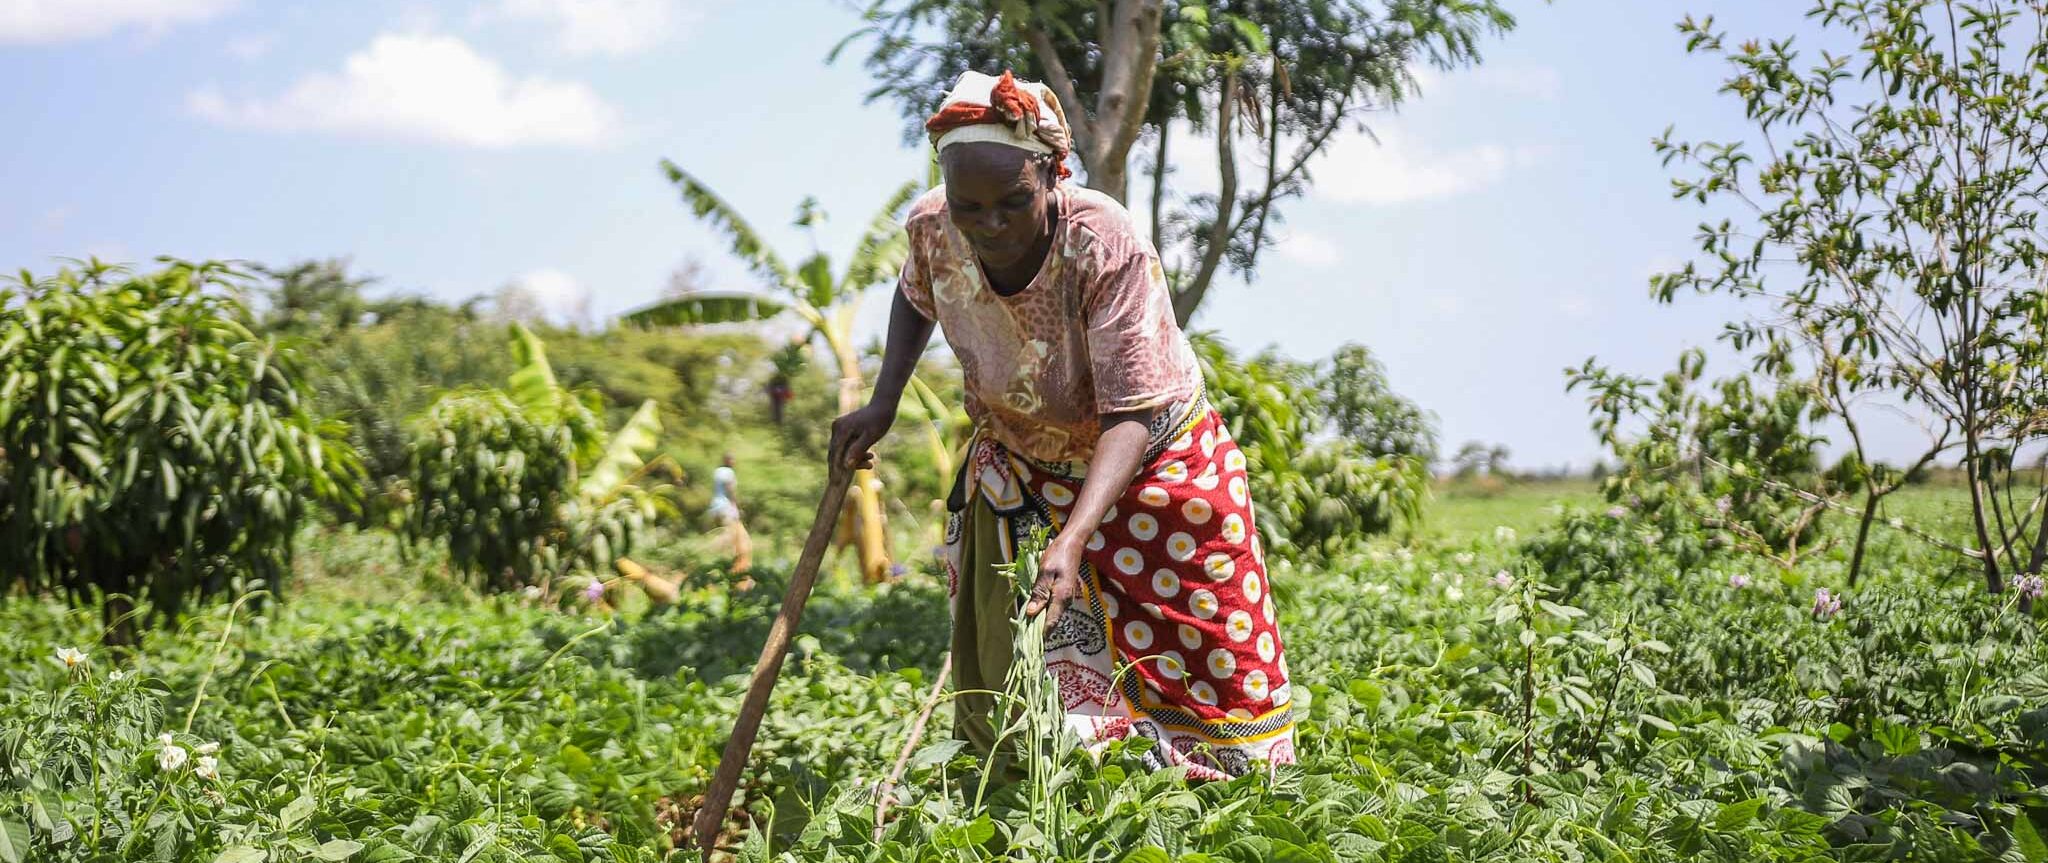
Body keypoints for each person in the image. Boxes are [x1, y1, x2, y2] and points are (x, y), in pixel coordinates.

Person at [829, 70, 1293, 779]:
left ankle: (1234, 806)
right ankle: (1024, 803)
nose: (989, 225)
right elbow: (916, 293)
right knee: (1012, 677)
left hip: (1157, 466)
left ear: (1051, 175)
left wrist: (1074, 536)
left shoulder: (1103, 241)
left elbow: (1132, 411)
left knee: (1211, 661)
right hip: (1022, 466)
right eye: (969, 206)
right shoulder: (932, 224)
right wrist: (884, 400)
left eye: (1013, 202)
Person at [708, 453, 752, 575]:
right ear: (728, 461)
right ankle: (712, 550)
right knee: (732, 534)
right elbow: (730, 489)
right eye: (732, 460)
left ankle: (721, 557)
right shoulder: (729, 473)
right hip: (726, 506)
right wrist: (735, 505)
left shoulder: (717, 471)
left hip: (715, 507)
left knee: (725, 532)